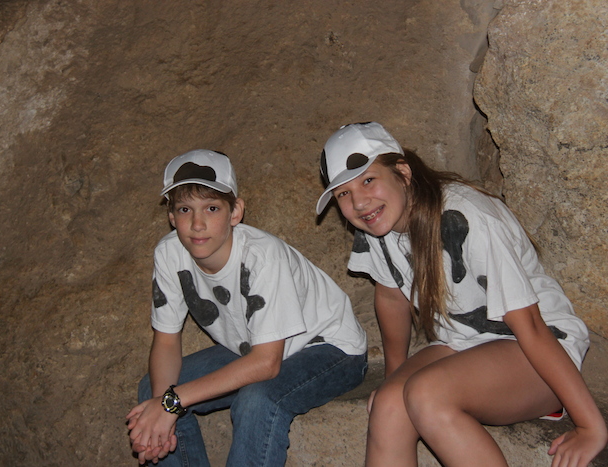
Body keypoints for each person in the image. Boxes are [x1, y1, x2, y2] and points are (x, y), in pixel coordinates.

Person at [315, 122, 608, 467]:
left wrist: (590, 426)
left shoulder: (470, 216)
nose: (359, 202)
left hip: (536, 347)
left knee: (427, 394)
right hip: (463, 342)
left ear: (403, 172)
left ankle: (545, 398)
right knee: (389, 404)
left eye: (368, 180)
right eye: (343, 194)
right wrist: (395, 375)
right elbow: (391, 296)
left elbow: (528, 322)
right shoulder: (377, 224)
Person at [127, 149, 368, 466]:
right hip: (254, 347)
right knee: (152, 389)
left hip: (332, 350)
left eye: (212, 208)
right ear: (172, 217)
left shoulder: (262, 255)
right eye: (185, 209)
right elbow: (167, 340)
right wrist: (162, 408)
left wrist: (172, 403)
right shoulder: (169, 254)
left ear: (235, 212)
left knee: (256, 399)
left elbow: (267, 365)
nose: (198, 223)